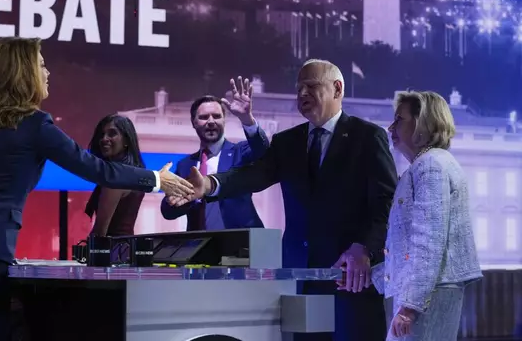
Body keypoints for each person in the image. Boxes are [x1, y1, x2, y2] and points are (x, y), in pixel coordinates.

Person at [0, 37, 194, 341]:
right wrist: (157, 180)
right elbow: (96, 168)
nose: (47, 72)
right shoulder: (35, 124)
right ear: (23, 72)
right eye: (41, 64)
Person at [167, 59, 398, 341]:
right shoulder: (288, 141)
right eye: (298, 88)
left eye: (311, 87)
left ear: (337, 89)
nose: (302, 95)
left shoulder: (367, 136)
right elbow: (254, 175)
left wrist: (365, 248)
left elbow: (387, 201)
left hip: (348, 279)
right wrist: (210, 184)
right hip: (300, 280)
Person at [369, 91, 482, 341]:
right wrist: (370, 275)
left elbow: (428, 241)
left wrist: (410, 307)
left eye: (399, 119)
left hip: (428, 294)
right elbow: (411, 246)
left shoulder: (430, 165)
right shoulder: (429, 164)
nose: (391, 127)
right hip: (429, 292)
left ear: (422, 123)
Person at [161, 77, 269, 230]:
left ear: (224, 120)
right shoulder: (185, 165)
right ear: (193, 122)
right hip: (199, 247)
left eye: (217, 116)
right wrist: (175, 200)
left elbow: (263, 148)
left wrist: (247, 119)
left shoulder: (240, 152)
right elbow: (168, 212)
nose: (211, 121)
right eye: (204, 117)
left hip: (240, 245)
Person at [85, 114, 146, 237]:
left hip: (112, 252)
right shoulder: (133, 172)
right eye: (101, 135)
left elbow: (100, 232)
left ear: (126, 140)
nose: (104, 139)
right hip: (125, 249)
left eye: (112, 133)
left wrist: (86, 253)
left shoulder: (117, 176)